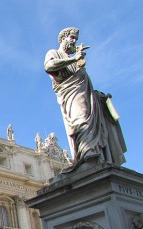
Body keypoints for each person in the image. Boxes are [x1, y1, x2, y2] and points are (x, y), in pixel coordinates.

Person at [44, 27, 126, 168]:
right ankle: (87, 153)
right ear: (63, 38)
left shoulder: (74, 61)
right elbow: (49, 66)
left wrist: (98, 97)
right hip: (71, 95)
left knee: (90, 122)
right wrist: (74, 59)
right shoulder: (54, 53)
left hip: (87, 97)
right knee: (80, 120)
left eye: (76, 39)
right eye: (72, 38)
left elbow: (85, 82)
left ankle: (93, 153)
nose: (74, 41)